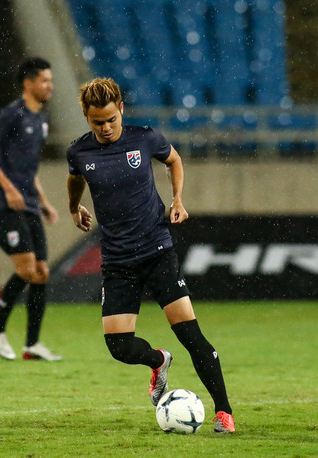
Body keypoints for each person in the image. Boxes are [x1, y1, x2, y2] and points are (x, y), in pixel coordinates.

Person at [66, 77, 235, 433]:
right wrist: (73, 206)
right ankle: (159, 361)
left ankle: (224, 412)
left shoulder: (145, 138)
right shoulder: (79, 152)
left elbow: (174, 161)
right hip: (117, 262)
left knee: (191, 335)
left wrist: (177, 199)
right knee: (119, 346)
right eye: (98, 122)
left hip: (157, 252)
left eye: (111, 119)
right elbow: (75, 177)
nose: (106, 127)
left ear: (121, 109)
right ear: (86, 117)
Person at [0, 57, 62, 361]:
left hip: (29, 205)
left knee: (41, 273)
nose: (50, 86)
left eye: (50, 80)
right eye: (44, 81)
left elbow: (28, 168)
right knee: (26, 269)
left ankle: (32, 344)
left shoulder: (41, 119)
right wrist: (9, 189)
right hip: (6, 206)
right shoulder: (13, 114)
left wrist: (44, 202)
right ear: (28, 83)